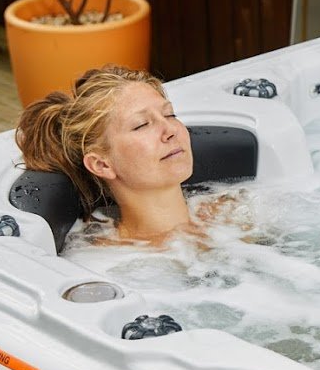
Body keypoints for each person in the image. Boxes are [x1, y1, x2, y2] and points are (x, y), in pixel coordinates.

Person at [16, 64, 197, 243]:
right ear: (101, 164)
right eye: (141, 124)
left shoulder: (222, 209)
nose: (170, 130)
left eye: (170, 114)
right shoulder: (116, 263)